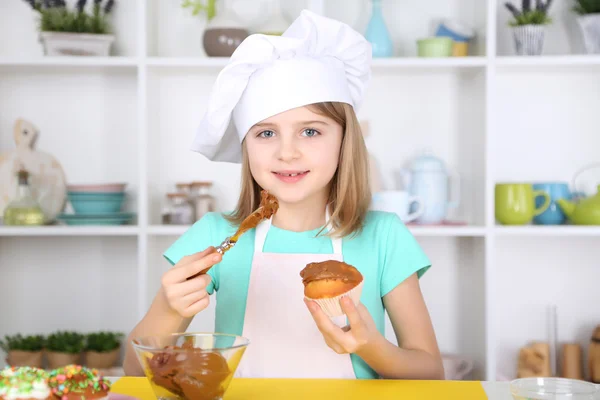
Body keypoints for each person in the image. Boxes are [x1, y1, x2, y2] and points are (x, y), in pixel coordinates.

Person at [123, 9, 443, 380]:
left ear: (345, 140)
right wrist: (169, 308)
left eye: (310, 131)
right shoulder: (215, 236)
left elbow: (430, 372)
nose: (287, 152)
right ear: (246, 146)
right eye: (266, 133)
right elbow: (133, 373)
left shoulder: (384, 237)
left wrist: (370, 345)